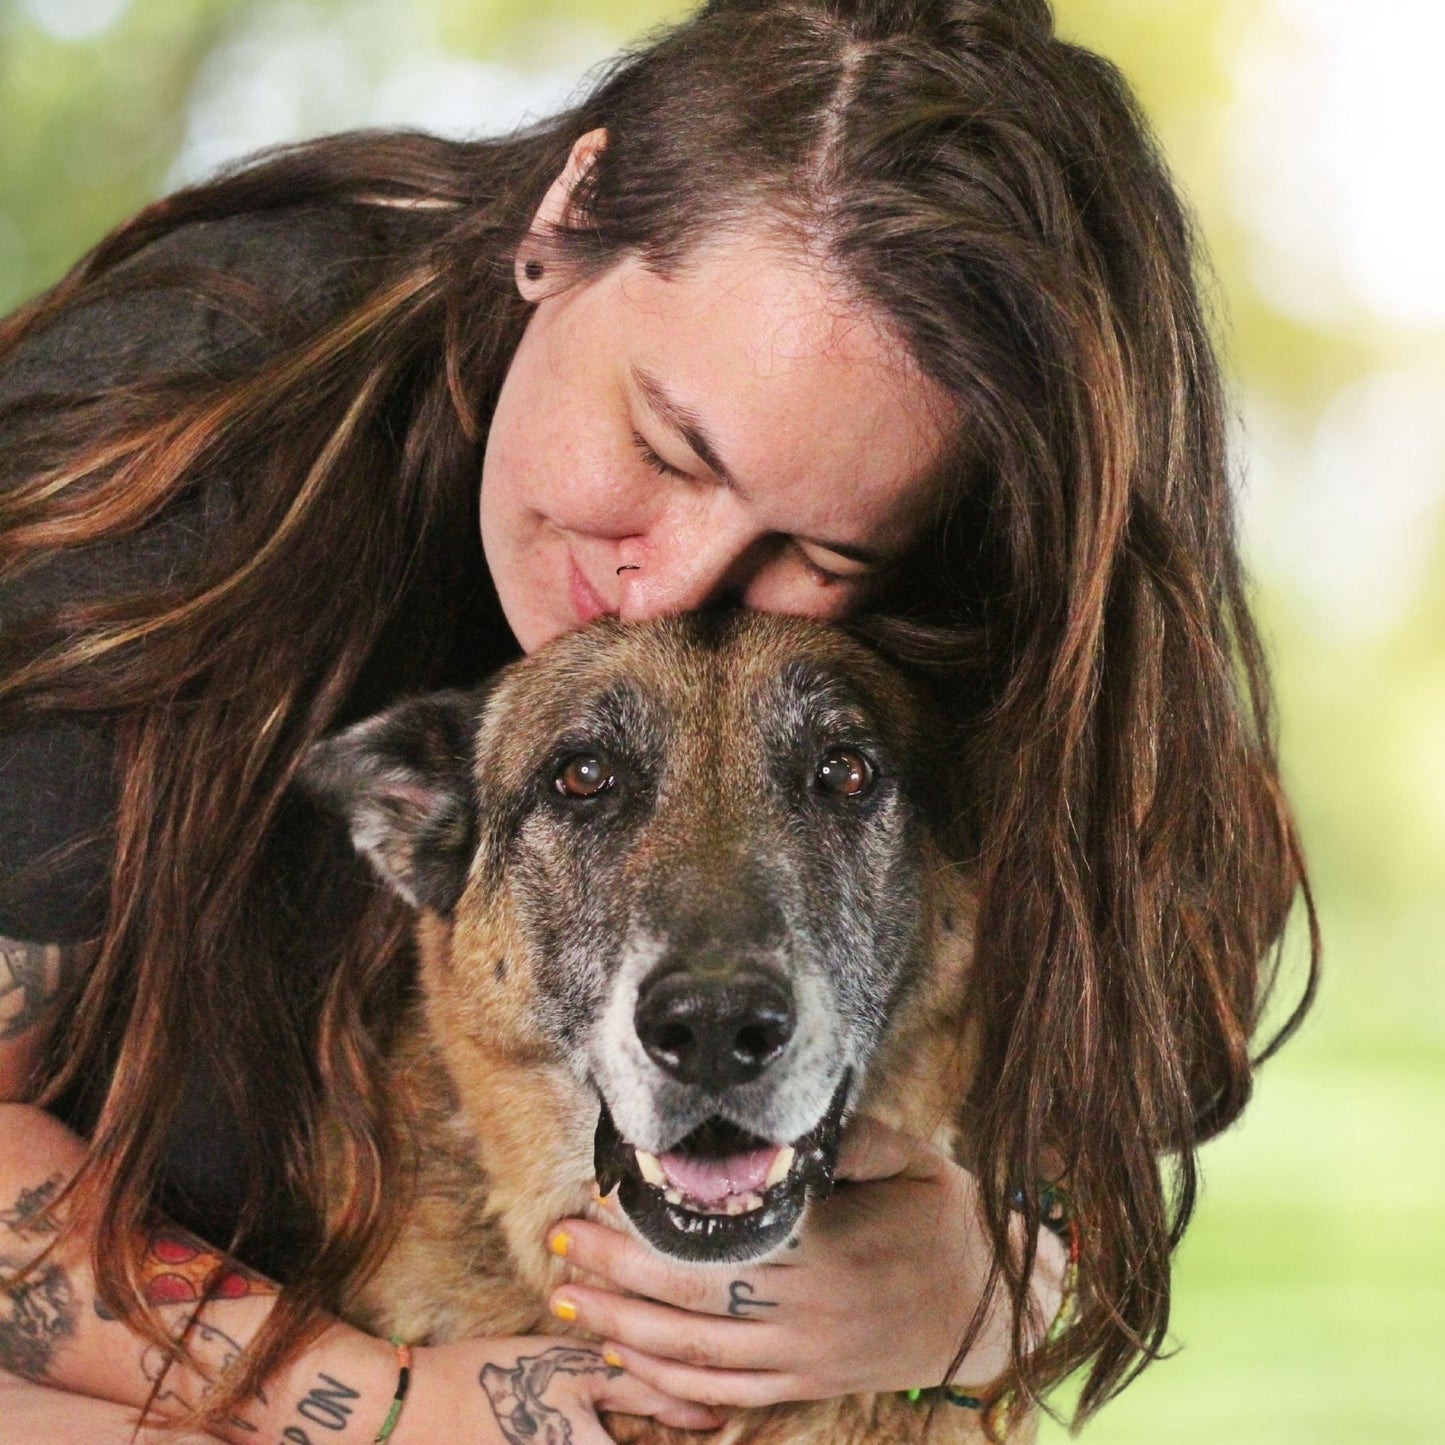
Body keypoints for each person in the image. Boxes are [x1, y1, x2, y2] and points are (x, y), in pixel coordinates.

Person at [0, 0, 1317, 1440]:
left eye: (820, 554)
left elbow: (1133, 1078)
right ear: (566, 215)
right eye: (664, 444)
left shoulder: (966, 585)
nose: (675, 584)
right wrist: (383, 1407)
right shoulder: (183, 444)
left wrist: (996, 1272)